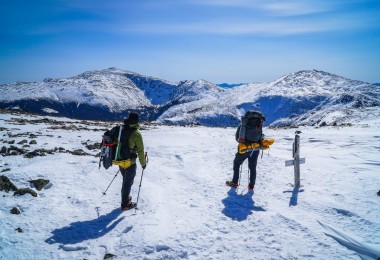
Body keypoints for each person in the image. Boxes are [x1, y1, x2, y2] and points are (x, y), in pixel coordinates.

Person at [226, 111, 265, 190]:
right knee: (252, 167)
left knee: (237, 163)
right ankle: (251, 185)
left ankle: (235, 182)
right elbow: (261, 136)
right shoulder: (258, 124)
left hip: (244, 148)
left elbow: (238, 138)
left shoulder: (243, 125)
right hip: (255, 148)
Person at [118, 112, 146, 210]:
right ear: (137, 121)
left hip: (120, 161)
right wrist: (143, 164)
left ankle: (125, 199)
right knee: (127, 183)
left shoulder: (122, 129)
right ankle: (125, 204)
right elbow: (140, 151)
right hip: (130, 163)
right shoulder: (136, 134)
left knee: (125, 181)